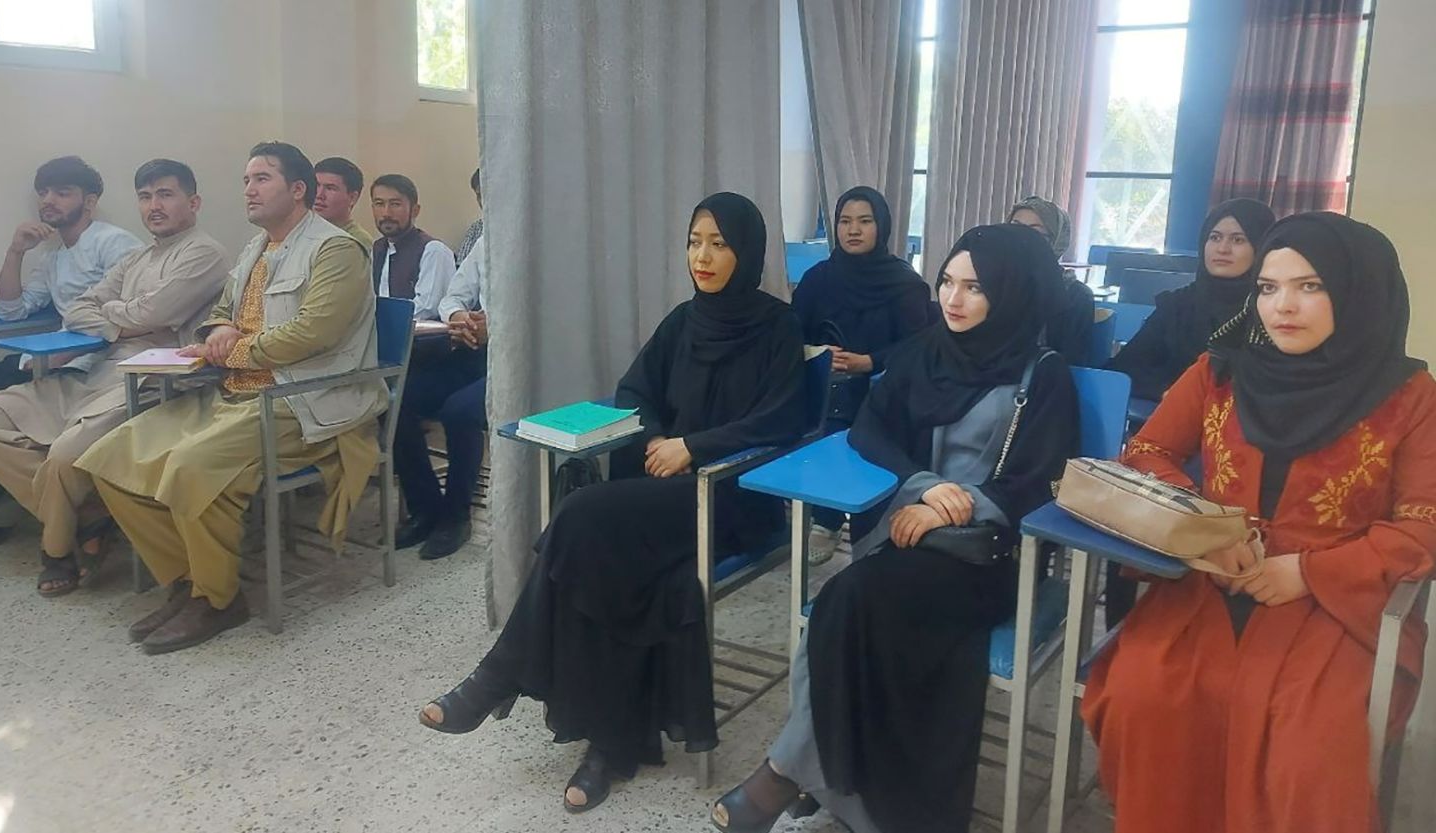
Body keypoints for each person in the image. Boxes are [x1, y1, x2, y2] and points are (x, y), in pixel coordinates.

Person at [417, 192, 806, 814]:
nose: (701, 256)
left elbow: (781, 420)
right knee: (626, 572)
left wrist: (693, 446)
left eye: (719, 243)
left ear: (749, 251)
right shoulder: (684, 320)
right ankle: (612, 744)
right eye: (693, 241)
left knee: (580, 517)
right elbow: (635, 389)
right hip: (663, 494)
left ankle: (501, 674)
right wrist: (655, 437)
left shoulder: (777, 328)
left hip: (731, 496)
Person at [712, 224, 1077, 833]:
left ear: (1013, 294)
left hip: (987, 554)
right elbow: (869, 430)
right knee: (838, 606)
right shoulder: (926, 351)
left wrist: (952, 506)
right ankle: (827, 776)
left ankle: (786, 773)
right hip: (909, 531)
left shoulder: (1045, 375)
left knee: (846, 601)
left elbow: (1037, 483)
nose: (954, 300)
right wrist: (923, 486)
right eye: (948, 283)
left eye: (975, 288)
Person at [1082, 213, 1435, 833]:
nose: (1283, 307)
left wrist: (1308, 571)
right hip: (1212, 572)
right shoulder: (1220, 372)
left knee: (1310, 746)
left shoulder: (1410, 397)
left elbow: (1422, 524)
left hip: (1332, 599)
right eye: (1268, 288)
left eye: (1311, 286)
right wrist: (1205, 529)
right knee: (1147, 701)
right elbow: (1147, 454)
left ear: (1359, 291)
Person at [74, 142, 385, 654]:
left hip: (301, 401)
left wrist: (235, 348)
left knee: (191, 468)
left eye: (262, 179)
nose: (248, 189)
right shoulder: (253, 249)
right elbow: (220, 309)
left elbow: (315, 333)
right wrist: (219, 328)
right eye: (246, 180)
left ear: (298, 190)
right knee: (109, 458)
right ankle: (189, 582)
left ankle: (219, 601)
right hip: (234, 392)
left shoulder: (336, 250)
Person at [0, 159, 228, 597]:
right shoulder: (141, 255)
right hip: (98, 367)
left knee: (65, 457)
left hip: (150, 378)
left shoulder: (204, 252)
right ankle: (87, 514)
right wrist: (124, 319)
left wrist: (117, 316)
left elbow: (155, 315)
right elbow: (80, 309)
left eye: (165, 194)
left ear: (193, 201)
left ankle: (57, 549)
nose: (153, 205)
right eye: (145, 196)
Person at [0, 156, 143, 557]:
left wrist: (71, 349)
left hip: (91, 363)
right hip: (48, 357)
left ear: (89, 201)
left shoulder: (115, 243)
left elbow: (140, 314)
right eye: (44, 192)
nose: (49, 200)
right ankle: (77, 506)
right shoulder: (52, 254)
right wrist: (16, 251)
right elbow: (11, 311)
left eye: (62, 192)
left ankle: (3, 511)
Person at [790, 186, 931, 563]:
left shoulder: (905, 283)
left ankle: (875, 520)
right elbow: (790, 333)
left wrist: (870, 361)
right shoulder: (818, 278)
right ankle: (827, 518)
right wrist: (816, 354)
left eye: (864, 221)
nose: (853, 230)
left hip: (887, 389)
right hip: (828, 391)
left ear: (881, 226)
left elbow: (921, 347)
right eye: (845, 221)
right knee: (827, 421)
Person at [1109, 198, 1276, 400]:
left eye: (1238, 239)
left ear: (1262, 247)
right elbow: (1126, 366)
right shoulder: (1177, 305)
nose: (1222, 248)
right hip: (1173, 417)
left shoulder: (1275, 310)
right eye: (1214, 237)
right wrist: (1169, 392)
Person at [390, 224, 488, 558]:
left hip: (523, 357)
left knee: (460, 411)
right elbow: (454, 296)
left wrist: (498, 323)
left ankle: (457, 514)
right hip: (474, 348)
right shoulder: (490, 240)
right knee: (393, 398)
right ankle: (426, 508)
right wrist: (460, 317)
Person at [1008, 195, 1095, 366]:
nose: (1020, 238)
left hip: (1037, 384)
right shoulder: (987, 283)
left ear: (1056, 241)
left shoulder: (1076, 296)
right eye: (1014, 228)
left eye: (1034, 232)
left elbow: (1069, 362)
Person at [368, 174, 453, 321]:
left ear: (415, 210)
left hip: (421, 341)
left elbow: (426, 309)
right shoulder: (377, 249)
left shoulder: (433, 251)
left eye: (395, 204)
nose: (386, 213)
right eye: (379, 204)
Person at [313, 156, 374, 250]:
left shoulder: (355, 242)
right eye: (316, 186)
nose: (319, 195)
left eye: (330, 188)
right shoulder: (301, 233)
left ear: (352, 198)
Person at [454, 167, 483, 267]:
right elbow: (462, 266)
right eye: (479, 195)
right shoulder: (476, 229)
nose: (482, 200)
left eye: (486, 194)